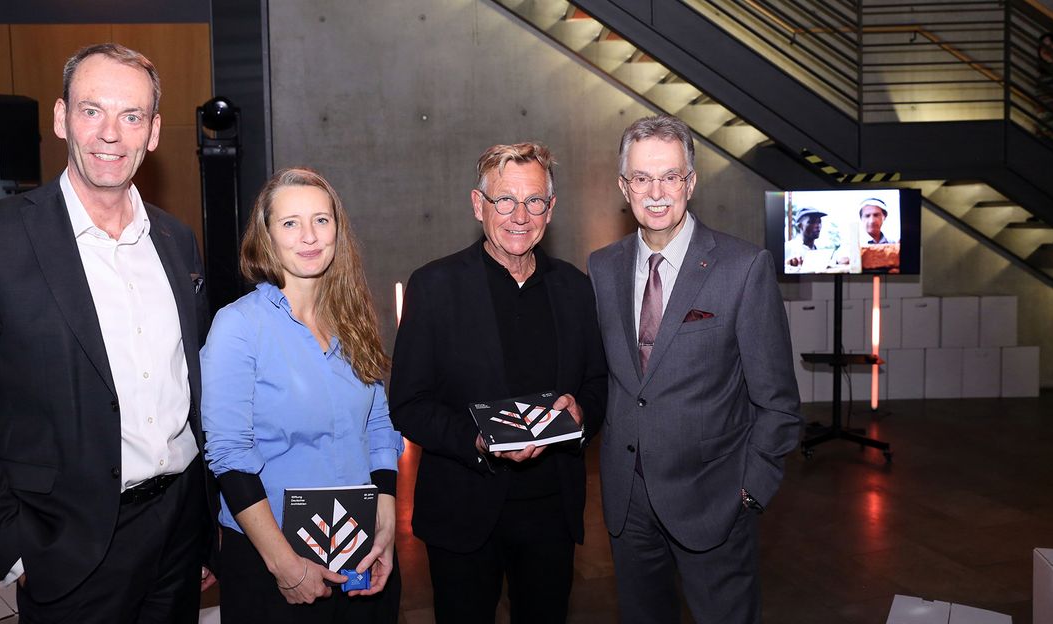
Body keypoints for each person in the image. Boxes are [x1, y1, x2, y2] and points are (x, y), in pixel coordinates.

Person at [0, 43, 217, 622]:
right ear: (59, 117)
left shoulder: (176, 241)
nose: (110, 135)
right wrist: (9, 548)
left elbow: (187, 385)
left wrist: (201, 524)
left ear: (152, 132)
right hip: (65, 542)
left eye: (132, 116)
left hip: (178, 528)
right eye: (91, 110)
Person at [588, 115, 802, 624]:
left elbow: (777, 401)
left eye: (670, 176)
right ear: (624, 186)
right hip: (628, 503)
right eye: (642, 178)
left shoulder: (743, 267)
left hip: (715, 499)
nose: (656, 192)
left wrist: (750, 491)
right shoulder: (601, 267)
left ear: (692, 181)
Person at [389, 142, 607, 624]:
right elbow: (408, 403)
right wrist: (478, 441)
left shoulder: (574, 287)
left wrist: (582, 413)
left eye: (534, 201)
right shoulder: (435, 286)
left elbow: (596, 382)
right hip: (464, 511)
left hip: (552, 511)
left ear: (550, 209)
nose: (519, 215)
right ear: (477, 205)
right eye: (504, 200)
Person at [200, 167, 404, 623]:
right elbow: (230, 455)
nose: (309, 236)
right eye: (290, 223)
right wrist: (285, 565)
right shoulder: (238, 326)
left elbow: (378, 426)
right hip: (272, 557)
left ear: (337, 229)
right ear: (267, 235)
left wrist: (385, 526)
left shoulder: (354, 319)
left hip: (358, 543)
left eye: (321, 220)